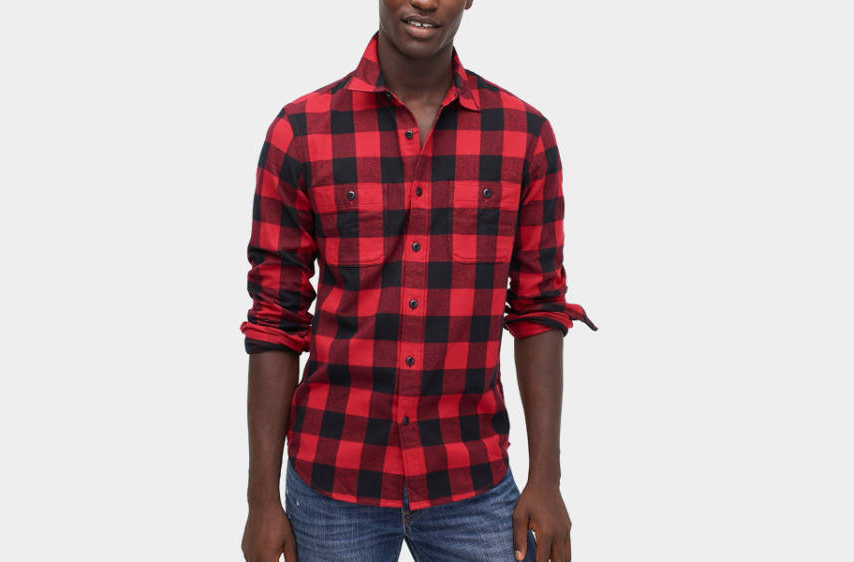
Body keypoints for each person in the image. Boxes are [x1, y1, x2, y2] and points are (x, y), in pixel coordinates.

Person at [240, 1, 597, 560]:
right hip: (333, 478)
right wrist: (261, 499)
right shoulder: (301, 131)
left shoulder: (524, 135)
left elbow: (539, 309)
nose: (425, 1)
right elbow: (275, 318)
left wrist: (546, 480)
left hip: (471, 477)